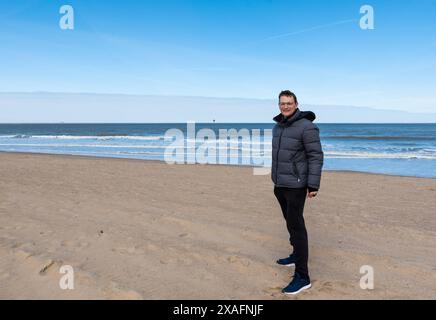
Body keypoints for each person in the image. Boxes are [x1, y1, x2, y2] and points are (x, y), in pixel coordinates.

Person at [271, 90, 324, 295]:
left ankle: (303, 277)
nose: (285, 106)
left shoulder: (307, 127)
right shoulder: (278, 126)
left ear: (296, 104)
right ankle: (296, 255)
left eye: (289, 103)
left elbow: (315, 156)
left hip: (296, 186)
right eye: (282, 103)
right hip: (280, 184)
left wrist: (313, 185)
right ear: (279, 105)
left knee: (297, 226)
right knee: (290, 222)